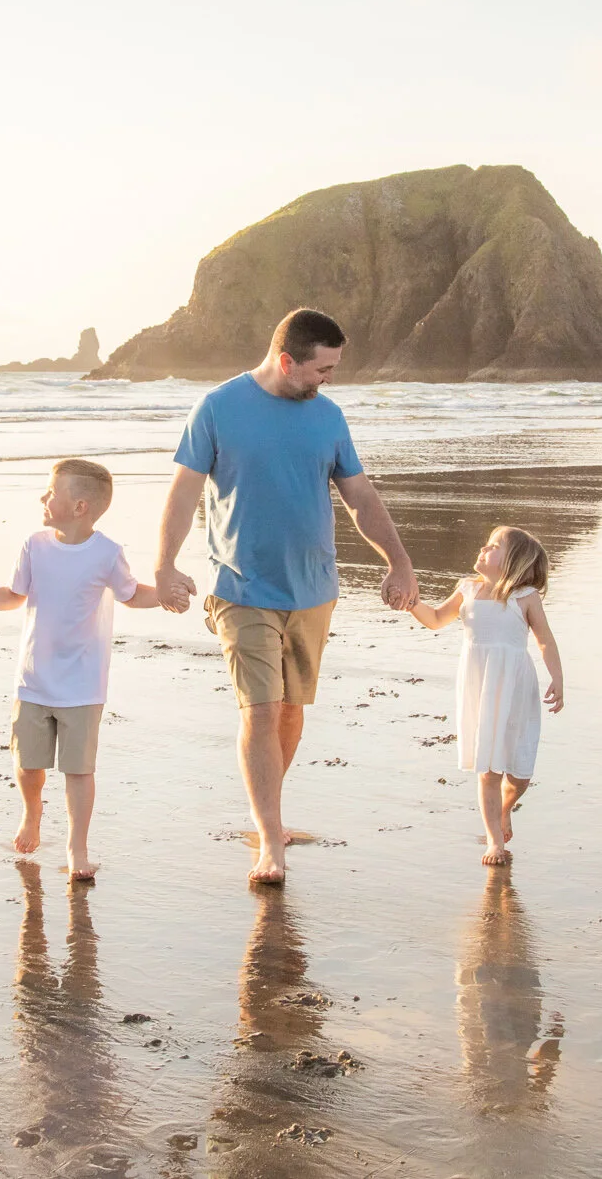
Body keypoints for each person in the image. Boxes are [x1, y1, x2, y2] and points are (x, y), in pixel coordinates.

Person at [155, 308, 419, 885]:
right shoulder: (217, 408)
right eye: (322, 369)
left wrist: (399, 562)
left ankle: (267, 810)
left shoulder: (328, 417)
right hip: (241, 587)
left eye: (333, 368)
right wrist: (164, 565)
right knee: (261, 709)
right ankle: (270, 840)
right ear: (286, 361)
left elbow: (360, 498)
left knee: (292, 710)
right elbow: (183, 492)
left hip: (313, 590)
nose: (329, 379)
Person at [0, 459, 159, 881]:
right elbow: (14, 595)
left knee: (78, 769)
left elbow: (132, 594)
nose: (43, 498)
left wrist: (166, 593)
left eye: (51, 493)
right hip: (34, 679)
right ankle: (32, 813)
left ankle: (77, 847)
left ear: (79, 507)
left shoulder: (107, 552)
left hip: (82, 685)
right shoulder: (35, 545)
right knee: (28, 764)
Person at [409, 526, 565, 866]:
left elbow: (545, 640)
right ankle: (495, 841)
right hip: (480, 686)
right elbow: (435, 619)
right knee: (489, 769)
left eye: (494, 546)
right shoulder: (468, 589)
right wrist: (411, 603)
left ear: (514, 561)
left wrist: (557, 677)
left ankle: (506, 808)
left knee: (519, 774)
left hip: (516, 689)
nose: (483, 548)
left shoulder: (525, 597)